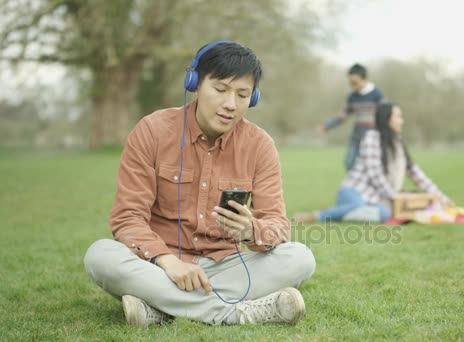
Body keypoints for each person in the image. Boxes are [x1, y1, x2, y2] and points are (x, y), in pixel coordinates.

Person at [84, 41, 315, 327]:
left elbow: (278, 225)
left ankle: (162, 310)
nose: (230, 104)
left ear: (252, 98)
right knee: (100, 255)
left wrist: (249, 230)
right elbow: (127, 216)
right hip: (160, 266)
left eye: (242, 95)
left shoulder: (260, 145)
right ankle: (237, 313)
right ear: (194, 83)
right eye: (220, 90)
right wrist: (167, 261)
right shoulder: (152, 131)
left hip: (226, 267)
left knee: (300, 257)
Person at [298, 102, 453, 223]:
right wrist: (396, 198)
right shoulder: (371, 138)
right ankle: (317, 216)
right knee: (362, 207)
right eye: (398, 116)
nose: (401, 120)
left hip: (378, 198)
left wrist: (441, 198)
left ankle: (343, 213)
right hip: (353, 191)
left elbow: (417, 174)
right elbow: (375, 175)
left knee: (385, 214)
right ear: (387, 119)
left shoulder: (398, 144)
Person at [319, 63, 384, 170]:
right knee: (349, 163)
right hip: (356, 136)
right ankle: (355, 185)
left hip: (372, 137)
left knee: (371, 166)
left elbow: (385, 115)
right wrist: (327, 126)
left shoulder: (377, 95)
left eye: (355, 83)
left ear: (365, 78)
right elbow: (342, 116)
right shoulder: (352, 97)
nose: (353, 86)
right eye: (350, 83)